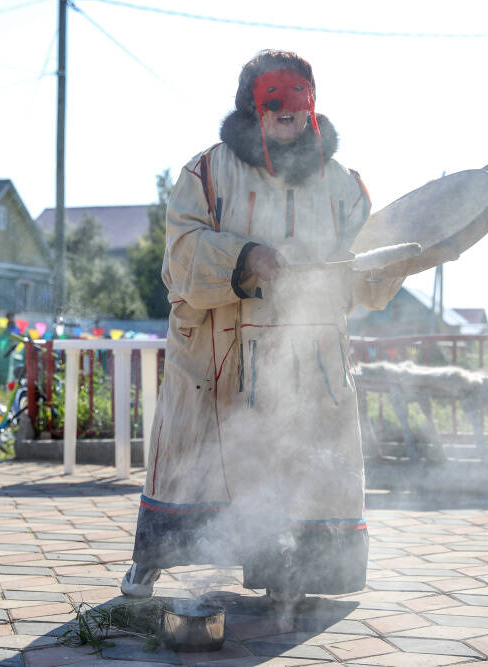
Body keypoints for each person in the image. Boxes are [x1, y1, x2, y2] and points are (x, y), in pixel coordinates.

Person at [122, 50, 406, 605]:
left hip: (310, 358)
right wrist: (246, 256)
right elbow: (178, 259)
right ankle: (149, 564)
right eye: (276, 109)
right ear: (253, 108)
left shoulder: (344, 185)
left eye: (298, 109)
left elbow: (366, 269)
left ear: (312, 107)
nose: (289, 119)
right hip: (217, 356)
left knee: (303, 469)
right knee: (190, 464)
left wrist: (407, 257)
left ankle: (290, 575)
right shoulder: (205, 174)